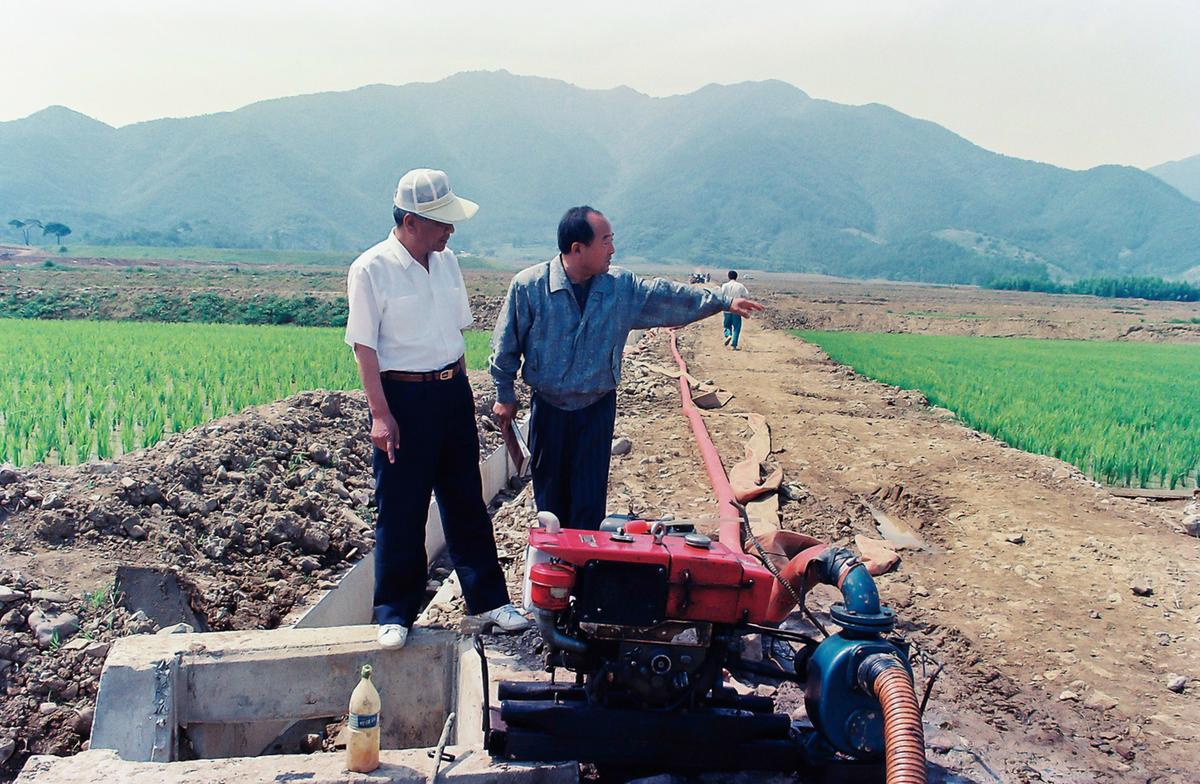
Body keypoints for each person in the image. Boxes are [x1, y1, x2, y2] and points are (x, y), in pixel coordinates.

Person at [489, 206, 764, 530]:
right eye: (605, 241)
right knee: (550, 501)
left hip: (596, 409)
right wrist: (504, 394)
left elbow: (666, 296)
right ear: (578, 249)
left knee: (589, 501)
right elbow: (506, 344)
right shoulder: (530, 287)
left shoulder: (619, 287)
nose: (613, 249)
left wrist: (720, 300)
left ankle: (584, 571)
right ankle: (553, 568)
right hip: (549, 410)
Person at [344, 168, 529, 650]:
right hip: (403, 398)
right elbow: (365, 348)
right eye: (441, 223)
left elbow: (456, 336)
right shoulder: (371, 269)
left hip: (451, 392)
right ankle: (394, 613)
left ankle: (489, 601)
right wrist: (380, 415)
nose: (450, 231)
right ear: (409, 221)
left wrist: (466, 390)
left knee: (465, 499)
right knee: (401, 508)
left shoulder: (447, 264)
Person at [720, 270, 750, 350]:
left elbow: (721, 296)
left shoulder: (725, 286)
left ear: (728, 277)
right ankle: (734, 345)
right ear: (736, 277)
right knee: (737, 327)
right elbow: (747, 295)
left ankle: (728, 335)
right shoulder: (740, 286)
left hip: (727, 309)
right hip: (737, 309)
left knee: (727, 325)